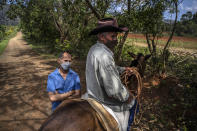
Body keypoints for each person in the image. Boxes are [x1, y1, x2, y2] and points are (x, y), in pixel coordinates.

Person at [85, 18, 136, 131]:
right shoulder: (105, 56)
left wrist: (122, 69)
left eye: (116, 36)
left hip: (92, 93)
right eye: (112, 37)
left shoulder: (94, 49)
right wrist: (128, 97)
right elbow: (114, 91)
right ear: (101, 37)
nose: (116, 40)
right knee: (134, 104)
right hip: (103, 99)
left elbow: (107, 69)